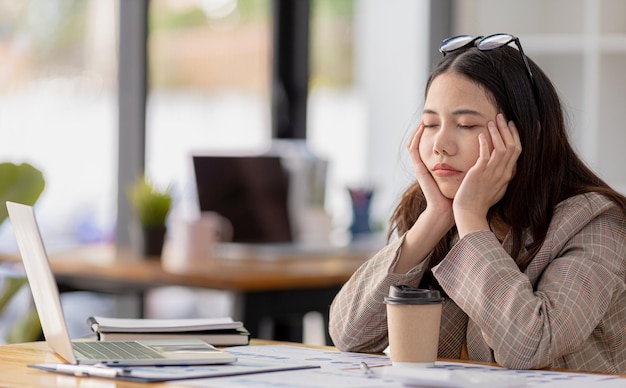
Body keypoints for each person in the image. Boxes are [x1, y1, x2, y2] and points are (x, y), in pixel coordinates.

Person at [328, 33, 626, 374]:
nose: (440, 144)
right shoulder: (437, 212)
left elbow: (531, 347)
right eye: (430, 124)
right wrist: (435, 217)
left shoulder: (597, 223)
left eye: (466, 125)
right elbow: (349, 336)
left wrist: (470, 218)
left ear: (528, 135)